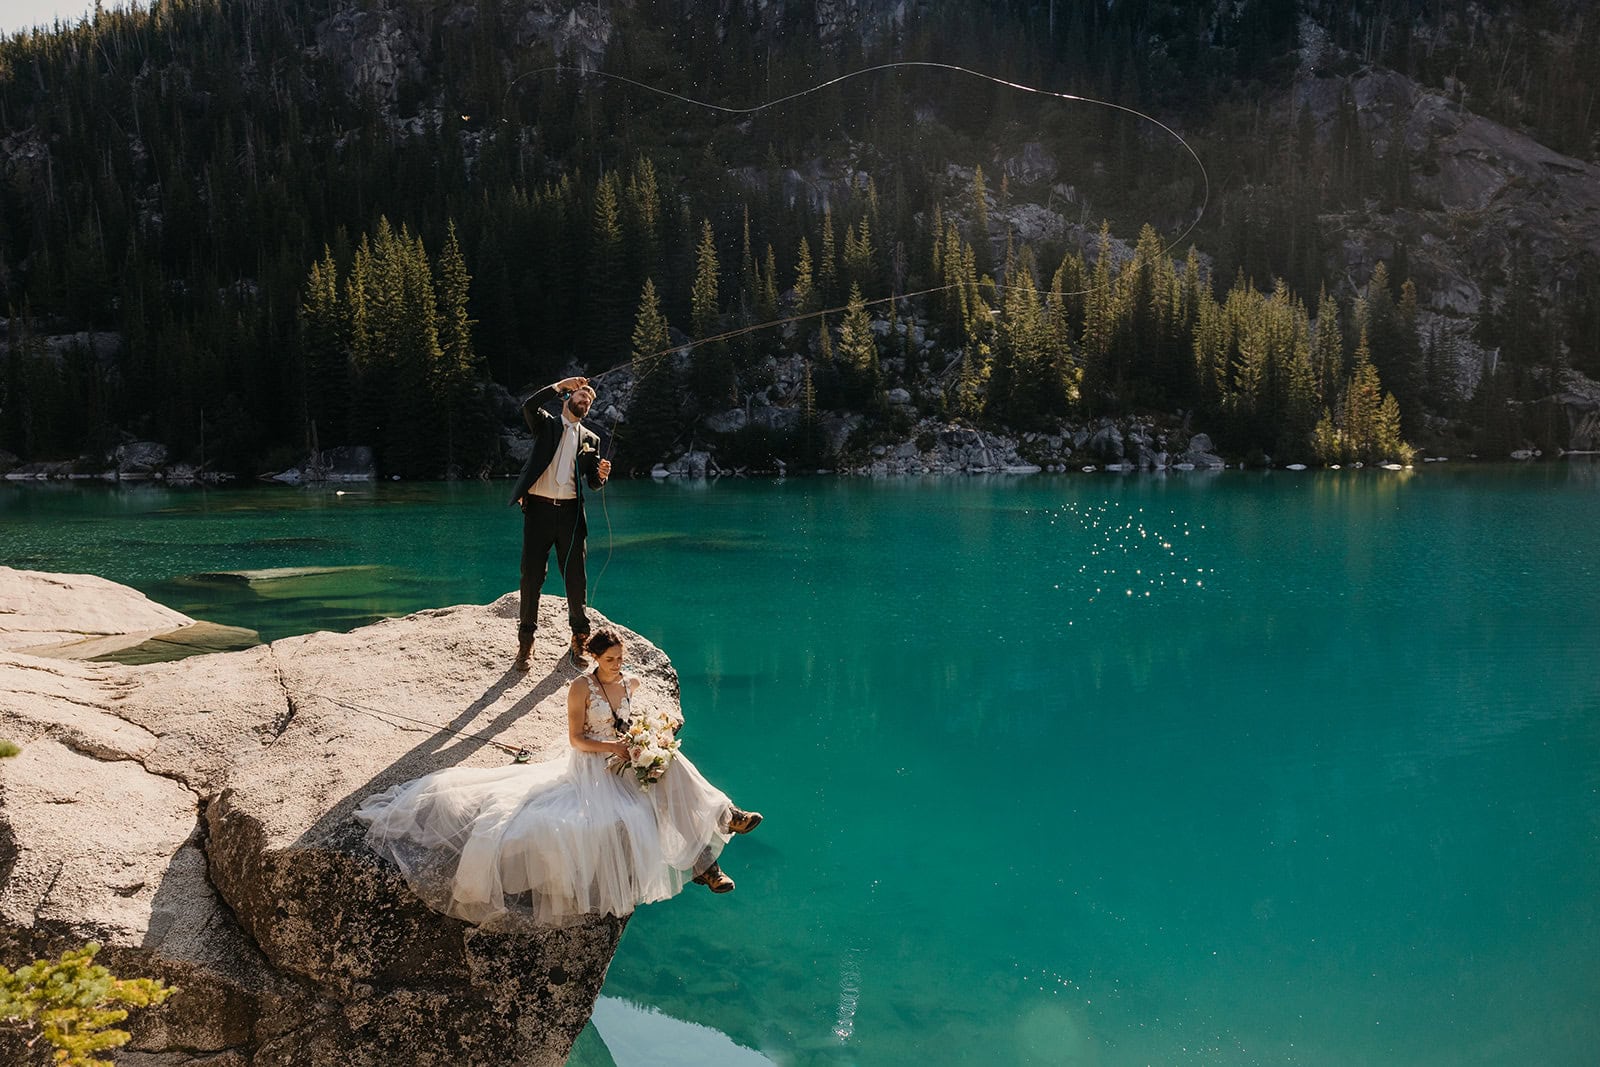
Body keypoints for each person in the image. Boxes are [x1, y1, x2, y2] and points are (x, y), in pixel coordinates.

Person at [354, 628, 761, 925]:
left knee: (672, 766)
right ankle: (709, 859)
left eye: (621, 659)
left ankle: (722, 825)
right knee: (646, 806)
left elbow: (634, 718)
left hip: (626, 757)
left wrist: (654, 731)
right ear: (595, 659)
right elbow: (576, 740)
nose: (618, 666)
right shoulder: (580, 689)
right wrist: (617, 749)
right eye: (610, 660)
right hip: (594, 766)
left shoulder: (630, 682)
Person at [510, 376, 611, 671]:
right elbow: (529, 405)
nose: (585, 401)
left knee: (575, 579)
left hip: (570, 514)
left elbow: (591, 483)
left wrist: (601, 476)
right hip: (538, 511)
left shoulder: (592, 440)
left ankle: (579, 639)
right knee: (531, 577)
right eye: (581, 396)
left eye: (589, 401)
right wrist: (559, 385)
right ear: (568, 398)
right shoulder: (546, 425)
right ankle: (526, 644)